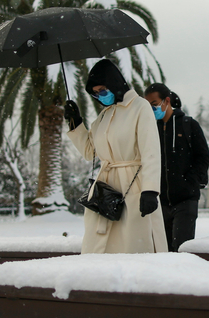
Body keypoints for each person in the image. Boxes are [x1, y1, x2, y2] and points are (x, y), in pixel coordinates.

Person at [64, 59, 168, 254]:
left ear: (114, 83)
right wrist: (75, 123)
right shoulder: (104, 116)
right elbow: (89, 151)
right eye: (95, 93)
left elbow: (151, 152)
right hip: (106, 190)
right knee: (98, 245)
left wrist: (151, 190)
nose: (100, 96)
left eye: (102, 90)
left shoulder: (140, 107)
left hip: (134, 185)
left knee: (133, 242)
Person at [144, 83, 209, 252]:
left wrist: (190, 181)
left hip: (185, 200)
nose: (151, 109)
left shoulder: (189, 125)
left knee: (181, 251)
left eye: (154, 104)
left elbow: (203, 157)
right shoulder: (149, 129)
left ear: (167, 101)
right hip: (160, 203)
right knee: (162, 251)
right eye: (148, 105)